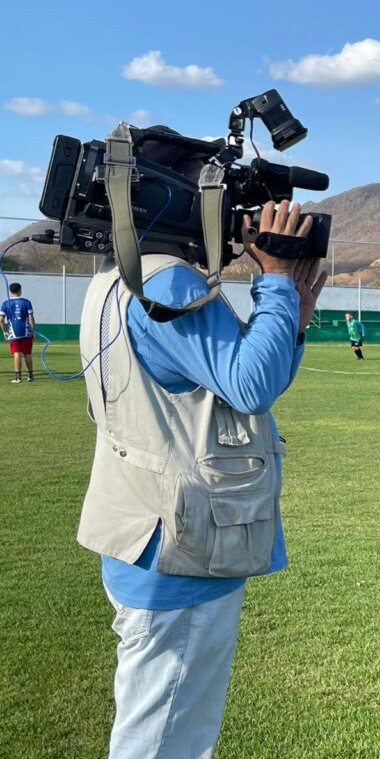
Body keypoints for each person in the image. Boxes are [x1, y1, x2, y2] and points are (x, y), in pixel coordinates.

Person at [76, 199, 326, 758]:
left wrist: (294, 322)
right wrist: (277, 282)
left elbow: (238, 390)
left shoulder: (119, 277)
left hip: (142, 528)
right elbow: (252, 386)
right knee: (167, 739)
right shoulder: (170, 283)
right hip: (181, 546)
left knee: (160, 727)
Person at [1, 282, 36, 383]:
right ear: (20, 290)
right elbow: (31, 318)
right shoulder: (27, 302)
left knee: (17, 354)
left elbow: (1, 320)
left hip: (13, 333)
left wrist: (4, 331)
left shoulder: (5, 303)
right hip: (26, 332)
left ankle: (18, 377)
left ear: (10, 291)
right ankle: (30, 376)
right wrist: (33, 331)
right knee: (27, 354)